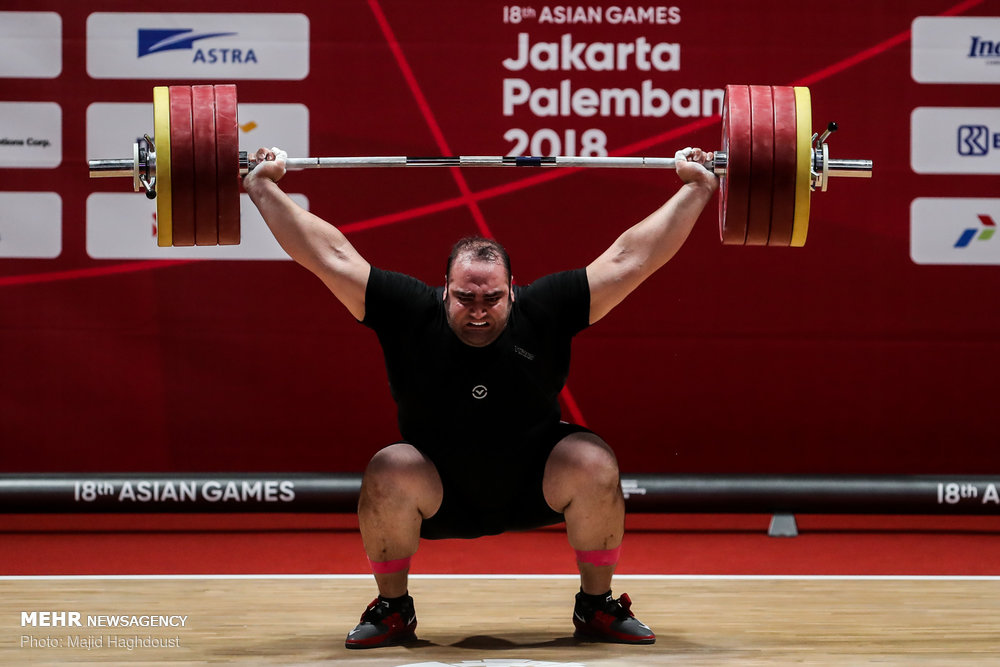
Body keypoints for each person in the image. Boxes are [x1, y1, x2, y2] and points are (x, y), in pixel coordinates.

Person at [243, 145, 718, 649]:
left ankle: (596, 606)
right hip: (439, 491)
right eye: (464, 298)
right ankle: (393, 610)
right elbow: (330, 255)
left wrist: (698, 187)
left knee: (592, 460)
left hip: (534, 484)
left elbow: (631, 258)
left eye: (491, 299)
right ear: (444, 288)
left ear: (512, 289)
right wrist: (260, 186)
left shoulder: (545, 309)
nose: (477, 311)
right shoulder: (408, 312)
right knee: (389, 469)